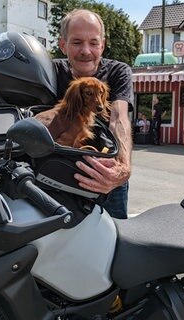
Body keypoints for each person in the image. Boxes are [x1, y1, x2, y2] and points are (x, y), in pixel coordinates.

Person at [53, 9, 133, 219]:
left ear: (102, 45)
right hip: (57, 175)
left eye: (93, 43)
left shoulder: (118, 72)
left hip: (107, 174)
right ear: (63, 45)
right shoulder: (49, 72)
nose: (86, 51)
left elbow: (119, 118)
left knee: (116, 240)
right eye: (77, 42)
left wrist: (123, 169)